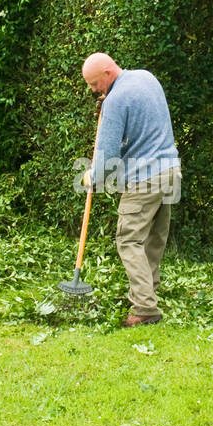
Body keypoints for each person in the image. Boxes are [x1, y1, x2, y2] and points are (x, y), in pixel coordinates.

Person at [82, 52, 182, 327]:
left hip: (145, 179)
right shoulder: (147, 78)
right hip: (171, 172)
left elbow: (108, 153)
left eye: (93, 84)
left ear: (106, 73)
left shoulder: (115, 100)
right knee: (154, 238)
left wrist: (93, 177)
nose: (93, 91)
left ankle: (145, 308)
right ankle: (148, 293)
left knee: (129, 240)